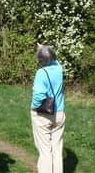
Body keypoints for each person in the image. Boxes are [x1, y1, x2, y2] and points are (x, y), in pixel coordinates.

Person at [31, 43, 65, 173]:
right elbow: (54, 59)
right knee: (56, 150)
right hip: (59, 113)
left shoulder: (41, 73)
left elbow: (38, 96)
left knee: (45, 151)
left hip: (43, 115)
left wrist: (34, 107)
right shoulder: (59, 68)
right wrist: (44, 48)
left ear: (39, 60)